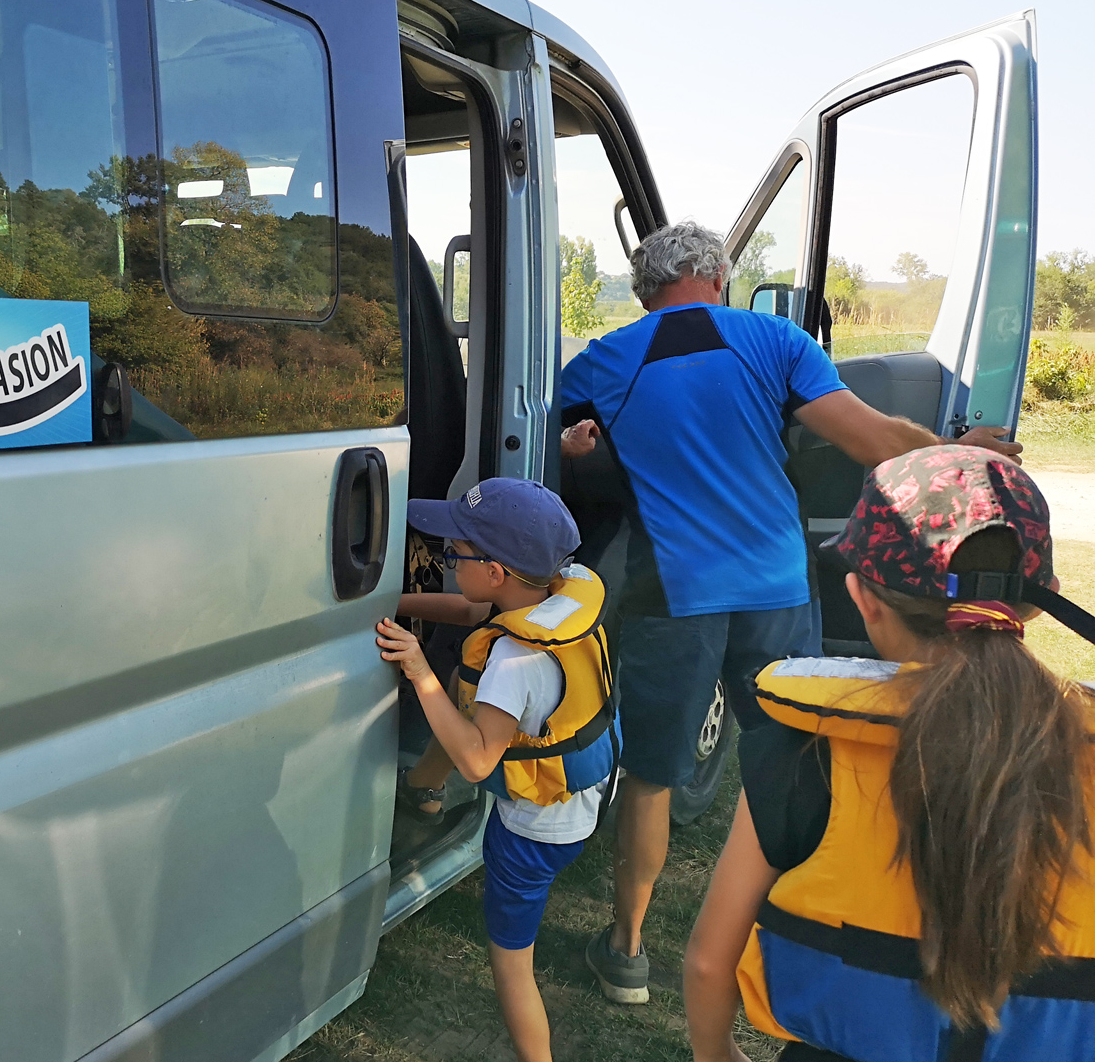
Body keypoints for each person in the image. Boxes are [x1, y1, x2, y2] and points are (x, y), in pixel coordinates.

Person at [557, 221, 1022, 1004]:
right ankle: (800, 929)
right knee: (795, 759)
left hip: (673, 593)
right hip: (776, 585)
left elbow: (536, 438)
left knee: (652, 776)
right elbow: (875, 442)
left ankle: (627, 951)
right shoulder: (773, 340)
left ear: (643, 292)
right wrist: (961, 452)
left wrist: (576, 447)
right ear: (716, 275)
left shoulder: (604, 359)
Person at [684, 445, 1095, 1062]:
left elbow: (709, 964)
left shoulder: (806, 751)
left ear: (863, 598)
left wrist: (718, 1055)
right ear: (1042, 601)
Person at [378, 478, 620, 1062]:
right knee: (463, 685)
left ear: (493, 572)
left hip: (533, 834)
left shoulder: (513, 661)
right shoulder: (548, 599)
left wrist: (419, 671)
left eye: (453, 554)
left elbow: (477, 758)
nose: (446, 559)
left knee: (512, 965)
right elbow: (468, 609)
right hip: (585, 800)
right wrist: (387, 604)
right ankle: (423, 790)